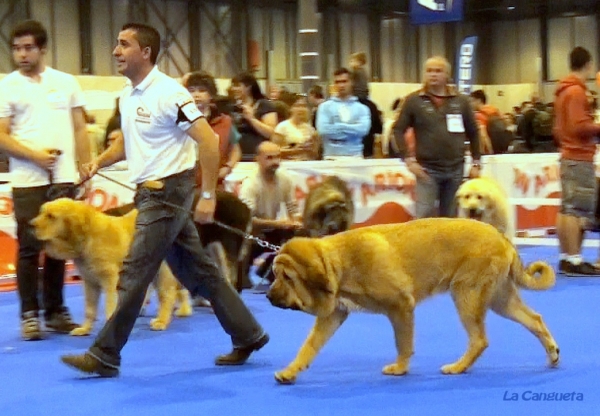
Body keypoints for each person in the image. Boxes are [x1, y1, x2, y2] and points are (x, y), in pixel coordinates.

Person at [60, 23, 268, 377]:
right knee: (199, 273)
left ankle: (104, 354)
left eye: (124, 44)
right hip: (149, 193)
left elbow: (208, 141)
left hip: (169, 193)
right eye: (116, 43)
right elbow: (124, 144)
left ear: (146, 52)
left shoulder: (172, 93)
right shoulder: (127, 95)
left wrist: (206, 196)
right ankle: (249, 333)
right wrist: (97, 162)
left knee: (134, 271)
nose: (115, 51)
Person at [0, 20, 91, 341]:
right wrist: (34, 156)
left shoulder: (66, 83)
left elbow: (80, 128)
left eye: (28, 48)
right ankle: (29, 314)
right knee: (29, 247)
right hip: (27, 180)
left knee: (59, 246)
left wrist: (86, 166)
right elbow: (1, 136)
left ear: (42, 49)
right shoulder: (6, 86)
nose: (21, 54)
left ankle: (56, 311)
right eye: (16, 49)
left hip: (64, 178)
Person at [393, 56, 480, 218]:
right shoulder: (413, 101)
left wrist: (476, 162)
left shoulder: (461, 101)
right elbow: (397, 130)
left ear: (447, 75)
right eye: (429, 71)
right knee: (424, 217)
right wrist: (408, 160)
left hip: (456, 169)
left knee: (451, 218)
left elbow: (474, 132)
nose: (433, 75)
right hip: (427, 171)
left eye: (438, 71)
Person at [553, 46, 600, 276]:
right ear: (589, 65)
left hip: (568, 154)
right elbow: (579, 126)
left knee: (566, 208)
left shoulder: (563, 91)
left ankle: (565, 257)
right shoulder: (577, 92)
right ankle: (574, 259)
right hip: (579, 155)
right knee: (575, 210)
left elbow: (561, 128)